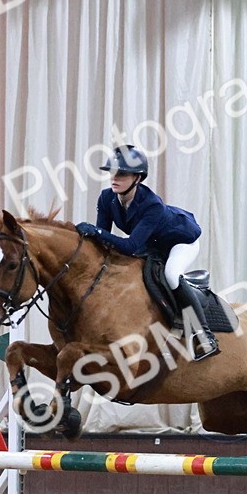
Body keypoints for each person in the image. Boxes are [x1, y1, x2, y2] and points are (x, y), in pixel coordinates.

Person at [75, 145, 219, 361]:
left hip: (180, 241)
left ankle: (204, 335)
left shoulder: (152, 205)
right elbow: (103, 240)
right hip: (151, 242)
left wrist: (96, 232)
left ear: (137, 178)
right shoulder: (106, 198)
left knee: (171, 275)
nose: (114, 178)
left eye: (122, 174)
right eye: (112, 172)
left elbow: (130, 246)